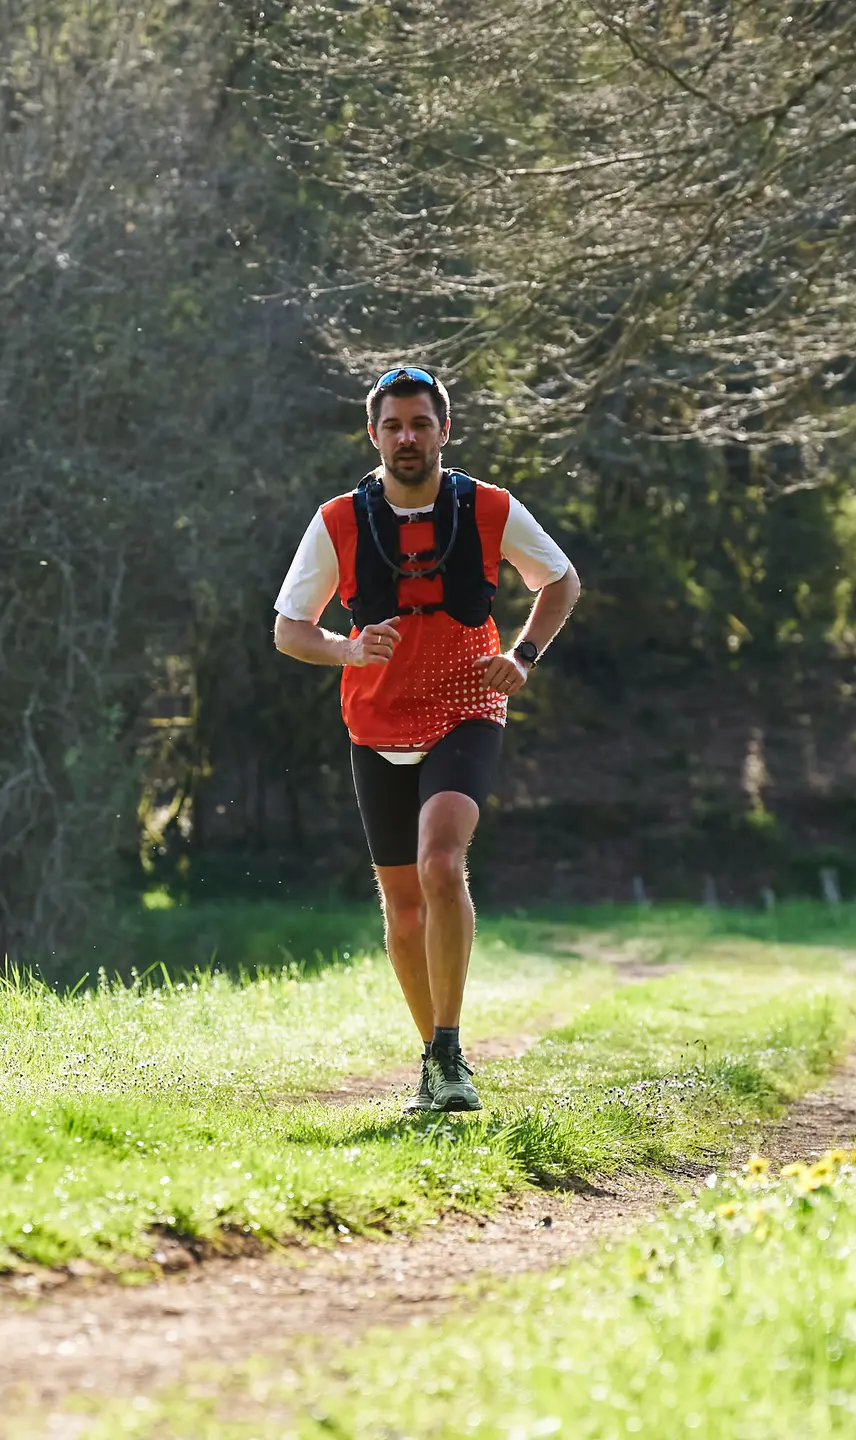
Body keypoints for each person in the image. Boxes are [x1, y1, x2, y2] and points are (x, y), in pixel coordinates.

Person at [272, 366, 581, 1112]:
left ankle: (449, 1049)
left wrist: (522, 656)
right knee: (402, 908)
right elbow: (289, 631)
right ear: (373, 435)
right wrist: (346, 649)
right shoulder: (339, 520)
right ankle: (435, 1061)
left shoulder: (490, 508)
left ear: (445, 429)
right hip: (374, 721)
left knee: (443, 862)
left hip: (467, 705)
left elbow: (561, 581)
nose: (407, 437)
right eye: (393, 426)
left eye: (420, 423)